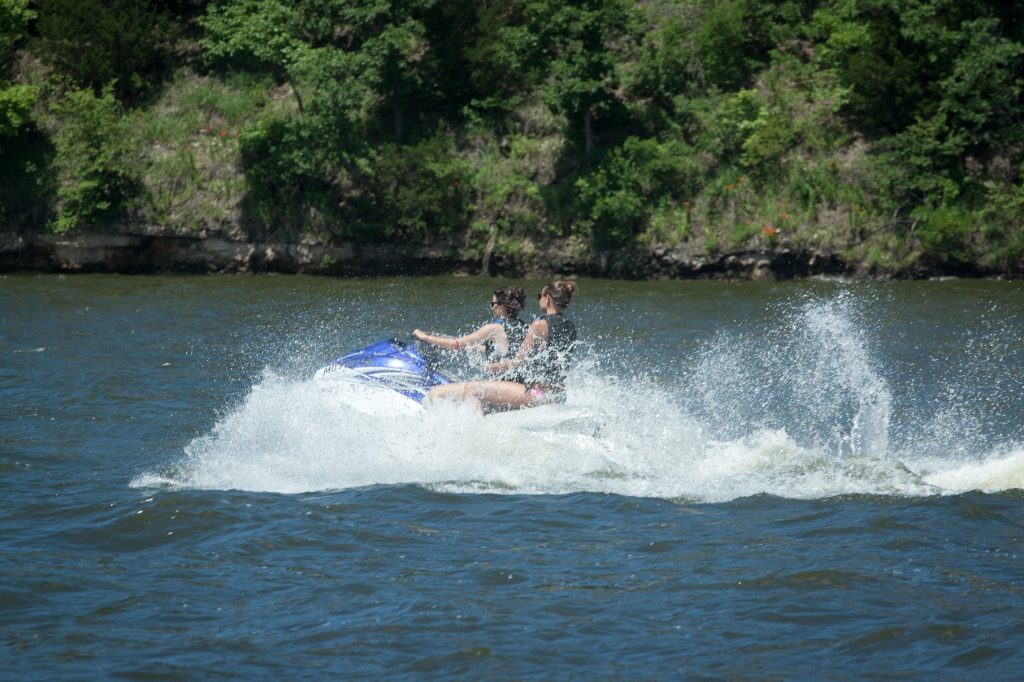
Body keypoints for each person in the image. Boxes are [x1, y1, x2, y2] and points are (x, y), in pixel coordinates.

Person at [424, 280, 578, 413]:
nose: (539, 300)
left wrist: (491, 367)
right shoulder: (570, 326)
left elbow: (518, 362)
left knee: (473, 390)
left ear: (548, 298)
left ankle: (479, 431)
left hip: (538, 394)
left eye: (540, 296)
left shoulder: (539, 325)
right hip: (558, 394)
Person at [412, 286, 528, 367]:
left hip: (500, 386)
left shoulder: (494, 328)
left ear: (501, 306)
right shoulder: (525, 327)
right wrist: (477, 347)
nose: (491, 308)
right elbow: (507, 352)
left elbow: (455, 344)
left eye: (493, 304)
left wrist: (425, 337)